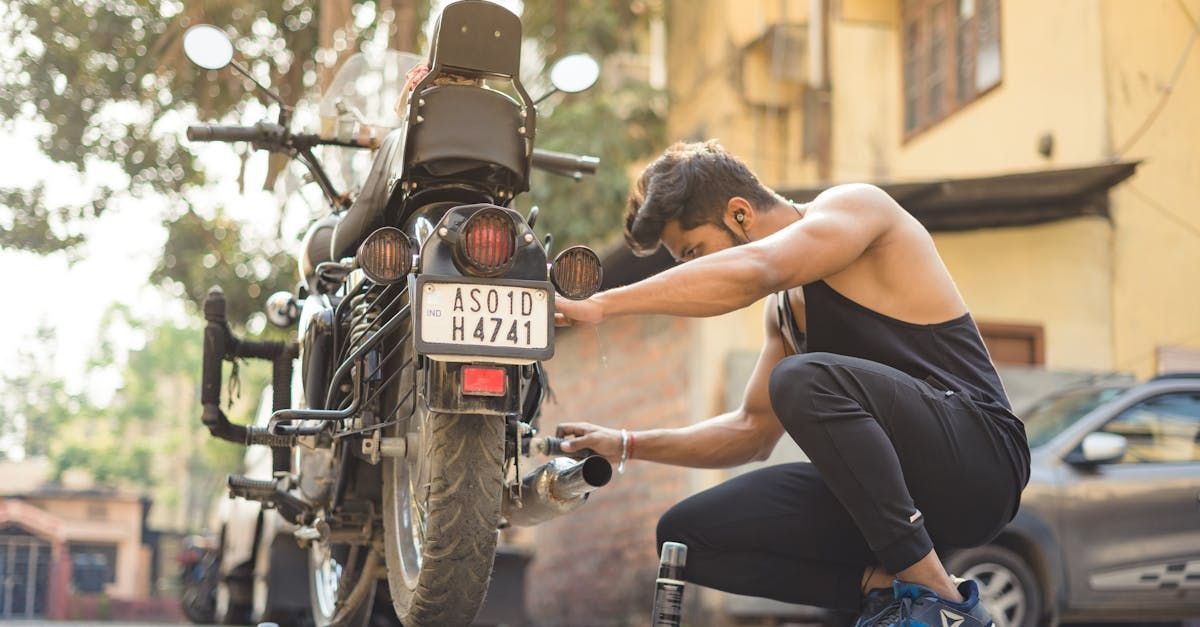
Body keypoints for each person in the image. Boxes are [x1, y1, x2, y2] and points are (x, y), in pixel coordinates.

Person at [553, 140, 1030, 626]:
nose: (694, 271)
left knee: (801, 380)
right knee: (686, 536)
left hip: (979, 460)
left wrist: (605, 304)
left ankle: (938, 600)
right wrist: (627, 444)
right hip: (897, 502)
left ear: (739, 214)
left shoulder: (857, 209)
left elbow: (759, 269)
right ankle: (893, 592)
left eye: (694, 252)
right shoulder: (784, 313)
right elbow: (750, 432)